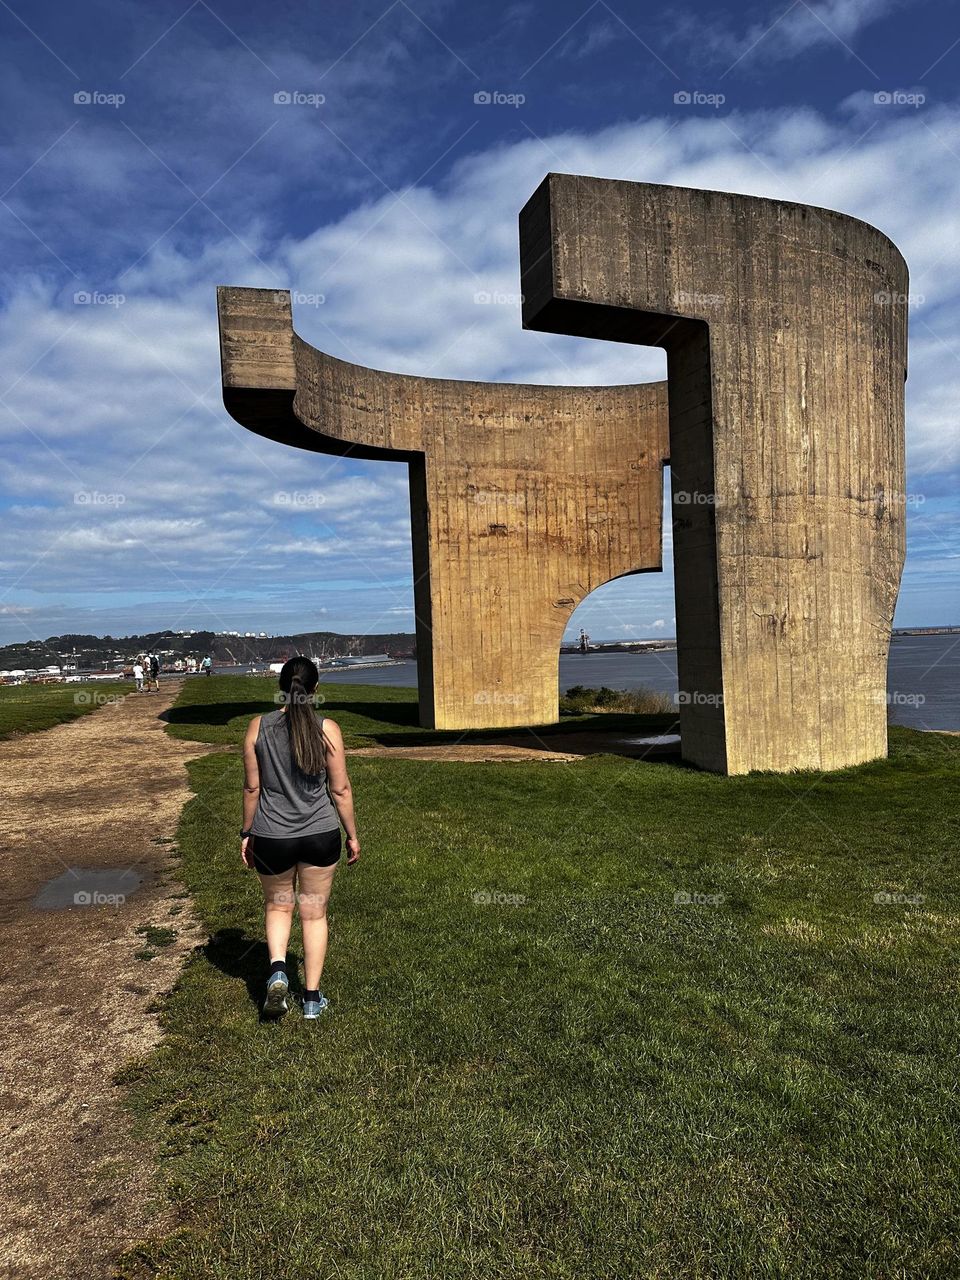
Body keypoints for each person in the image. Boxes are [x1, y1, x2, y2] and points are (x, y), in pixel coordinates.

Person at [241, 656, 360, 1019]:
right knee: (313, 914)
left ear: (280, 687)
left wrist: (247, 832)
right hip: (320, 835)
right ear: (316, 689)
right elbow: (340, 790)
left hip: (272, 836)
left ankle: (278, 970)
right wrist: (352, 835)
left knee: (278, 906)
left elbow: (251, 788)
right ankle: (311, 999)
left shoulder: (257, 727)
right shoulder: (329, 729)